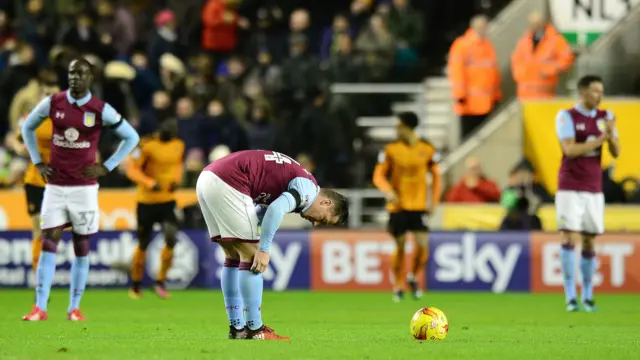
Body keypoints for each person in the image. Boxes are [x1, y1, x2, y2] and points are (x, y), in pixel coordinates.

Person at [21, 58, 140, 321]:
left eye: (81, 73)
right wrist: (38, 161)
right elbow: (27, 127)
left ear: (90, 78)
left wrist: (107, 166)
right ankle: (40, 307)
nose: (75, 77)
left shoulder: (99, 109)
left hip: (84, 189)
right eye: (72, 73)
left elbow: (132, 137)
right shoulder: (54, 102)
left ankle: (74, 307)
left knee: (81, 244)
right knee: (48, 240)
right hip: (55, 187)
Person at [196, 150, 349, 340]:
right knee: (252, 257)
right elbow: (276, 209)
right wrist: (264, 248)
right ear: (326, 202)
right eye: (324, 220)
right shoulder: (307, 189)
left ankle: (237, 328)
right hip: (229, 182)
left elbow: (262, 211)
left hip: (208, 177)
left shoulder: (299, 180)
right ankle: (255, 330)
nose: (316, 224)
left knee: (233, 255)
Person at [555, 75, 620, 312]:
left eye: (601, 91)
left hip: (594, 187)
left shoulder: (607, 117)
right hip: (570, 185)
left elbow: (617, 152)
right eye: (594, 91)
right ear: (582, 92)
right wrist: (599, 139)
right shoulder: (566, 116)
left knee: (589, 239)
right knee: (568, 237)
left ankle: (589, 296)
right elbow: (570, 149)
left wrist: (611, 136)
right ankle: (571, 296)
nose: (599, 96)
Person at [372, 112, 441, 302]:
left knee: (422, 245)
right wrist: (388, 191)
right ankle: (397, 284)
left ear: (408, 127)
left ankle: (412, 276)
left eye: (398, 126)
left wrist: (433, 201)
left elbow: (436, 176)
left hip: (419, 205)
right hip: (398, 206)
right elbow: (378, 176)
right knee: (400, 246)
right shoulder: (390, 150)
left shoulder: (427, 149)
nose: (396, 129)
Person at [126, 119, 184, 299]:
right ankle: (136, 286)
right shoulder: (146, 145)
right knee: (143, 243)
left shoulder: (178, 145)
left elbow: (178, 165)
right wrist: (150, 183)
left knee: (171, 237)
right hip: (146, 201)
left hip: (167, 200)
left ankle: (160, 282)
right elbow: (132, 170)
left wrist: (177, 180)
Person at [14, 81, 59, 276]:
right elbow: (16, 141)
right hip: (34, 181)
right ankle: (38, 277)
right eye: (47, 94)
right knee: (39, 232)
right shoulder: (33, 119)